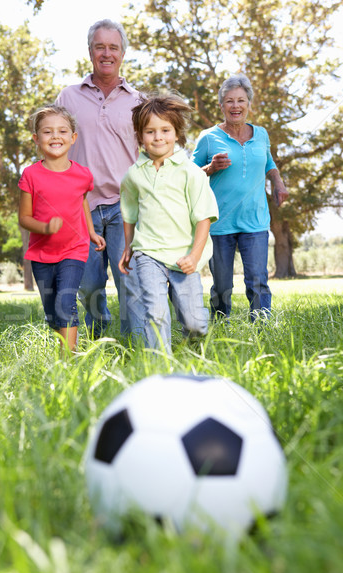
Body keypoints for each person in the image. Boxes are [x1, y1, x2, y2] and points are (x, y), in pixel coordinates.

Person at [55, 19, 144, 338]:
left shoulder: (138, 101)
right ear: (90, 51)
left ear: (123, 53)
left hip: (126, 206)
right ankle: (100, 338)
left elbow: (150, 153)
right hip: (81, 209)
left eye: (113, 47)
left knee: (129, 281)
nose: (107, 53)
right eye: (100, 46)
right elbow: (54, 147)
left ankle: (136, 346)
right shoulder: (67, 97)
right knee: (90, 285)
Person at [119, 93, 219, 353]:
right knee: (156, 312)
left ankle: (192, 349)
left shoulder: (192, 172)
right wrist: (129, 248)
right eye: (150, 131)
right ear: (140, 136)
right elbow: (129, 213)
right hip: (148, 253)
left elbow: (203, 217)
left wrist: (195, 255)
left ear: (177, 134)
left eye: (165, 130)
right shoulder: (133, 174)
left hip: (183, 256)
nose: (158, 137)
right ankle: (159, 366)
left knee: (196, 322)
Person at [192, 74, 289, 321]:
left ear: (249, 103)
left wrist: (277, 181)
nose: (236, 106)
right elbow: (189, 176)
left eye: (241, 100)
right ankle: (220, 325)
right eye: (229, 101)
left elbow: (268, 161)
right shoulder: (207, 137)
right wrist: (210, 168)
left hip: (255, 220)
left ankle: (262, 327)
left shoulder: (261, 134)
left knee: (258, 280)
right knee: (222, 286)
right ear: (222, 105)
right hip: (219, 221)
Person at [18, 105, 105, 353]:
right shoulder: (31, 175)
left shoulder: (83, 175)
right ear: (36, 139)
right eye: (47, 132)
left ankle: (69, 357)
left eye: (62, 131)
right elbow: (24, 218)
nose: (55, 136)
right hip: (41, 255)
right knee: (52, 312)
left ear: (73, 138)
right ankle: (64, 342)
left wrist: (91, 232)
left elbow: (83, 203)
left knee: (65, 303)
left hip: (74, 250)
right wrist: (44, 227)